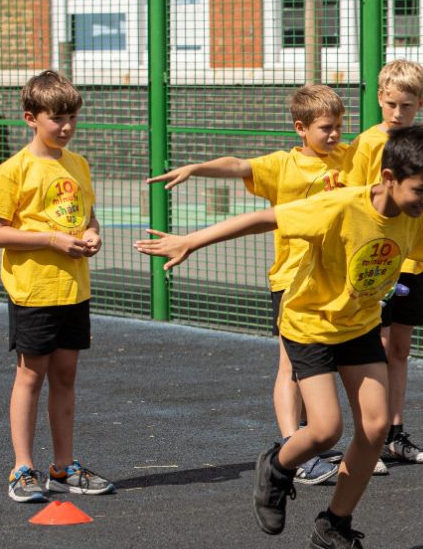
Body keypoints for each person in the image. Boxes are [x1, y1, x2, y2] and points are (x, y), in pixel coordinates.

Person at [134, 125, 423, 548]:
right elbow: (267, 218)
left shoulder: (418, 218)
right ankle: (276, 467)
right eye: (420, 190)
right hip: (310, 323)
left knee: (375, 428)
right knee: (325, 430)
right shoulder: (340, 206)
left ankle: (334, 525)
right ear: (389, 178)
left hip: (359, 325)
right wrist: (192, 240)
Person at [146, 84, 353, 486]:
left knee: (322, 363)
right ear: (301, 128)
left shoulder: (347, 157)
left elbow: (383, 142)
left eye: (338, 127)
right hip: (293, 279)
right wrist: (196, 168)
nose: (334, 134)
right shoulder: (282, 165)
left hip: (334, 279)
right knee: (291, 365)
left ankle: (310, 439)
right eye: (326, 128)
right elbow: (237, 165)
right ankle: (292, 448)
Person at [345, 59, 423, 475]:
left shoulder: (421, 143)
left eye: (407, 106)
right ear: (380, 98)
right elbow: (355, 202)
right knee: (375, 349)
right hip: (375, 261)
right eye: (391, 104)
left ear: (420, 103)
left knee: (399, 349)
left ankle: (394, 435)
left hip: (412, 262)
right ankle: (368, 438)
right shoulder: (367, 144)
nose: (398, 113)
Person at [0, 70, 114, 502]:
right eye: (56, 118)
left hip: (74, 290)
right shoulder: (14, 170)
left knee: (66, 376)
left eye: (72, 118)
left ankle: (63, 468)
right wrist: (50, 240)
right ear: (31, 118)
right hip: (34, 291)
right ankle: (22, 468)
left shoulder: (78, 164)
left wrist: (92, 234)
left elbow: (87, 217)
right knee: (31, 376)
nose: (66, 127)